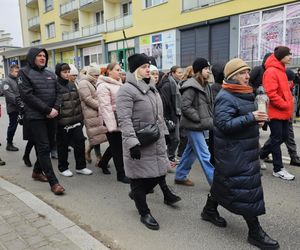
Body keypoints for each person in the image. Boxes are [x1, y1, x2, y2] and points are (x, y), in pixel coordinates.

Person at [201, 58, 279, 250]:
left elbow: (243, 118)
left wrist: (257, 120)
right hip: (234, 152)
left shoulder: (245, 92)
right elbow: (224, 125)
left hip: (244, 149)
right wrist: (250, 117)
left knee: (223, 182)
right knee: (247, 190)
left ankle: (209, 210)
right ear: (233, 76)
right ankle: (255, 232)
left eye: (247, 72)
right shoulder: (225, 96)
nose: (247, 76)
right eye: (243, 73)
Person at [117, 53, 181, 230]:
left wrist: (165, 132)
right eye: (144, 67)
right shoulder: (126, 90)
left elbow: (158, 116)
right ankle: (144, 212)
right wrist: (132, 143)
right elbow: (124, 119)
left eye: (149, 66)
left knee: (159, 174)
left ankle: (136, 194)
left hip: (156, 140)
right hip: (139, 142)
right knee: (138, 179)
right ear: (136, 69)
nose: (148, 69)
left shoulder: (152, 87)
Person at [18, 48, 64, 195]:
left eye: (44, 55)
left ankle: (37, 171)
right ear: (32, 57)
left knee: (50, 145)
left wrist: (55, 108)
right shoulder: (24, 72)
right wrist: (47, 110)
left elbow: (59, 92)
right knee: (43, 148)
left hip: (52, 115)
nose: (42, 58)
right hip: (36, 117)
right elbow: (27, 95)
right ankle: (54, 182)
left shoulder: (50, 73)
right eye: (39, 55)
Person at [174, 58, 214, 187]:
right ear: (199, 71)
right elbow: (185, 107)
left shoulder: (205, 84)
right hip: (194, 125)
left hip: (201, 125)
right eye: (206, 69)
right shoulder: (191, 86)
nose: (209, 71)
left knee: (190, 152)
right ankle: (216, 185)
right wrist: (199, 118)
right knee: (205, 155)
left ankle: (180, 176)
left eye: (209, 68)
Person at [260, 46, 295, 180]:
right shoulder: (272, 71)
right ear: (281, 56)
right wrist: (286, 104)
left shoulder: (281, 70)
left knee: (282, 137)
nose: (291, 56)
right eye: (288, 54)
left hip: (283, 112)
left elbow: (282, 90)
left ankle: (260, 155)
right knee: (277, 138)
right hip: (276, 112)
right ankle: (278, 168)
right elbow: (271, 94)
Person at [55, 63, 93, 177]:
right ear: (58, 73)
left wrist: (80, 118)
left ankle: (81, 167)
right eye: (64, 72)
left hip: (76, 120)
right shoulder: (55, 85)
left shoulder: (72, 84)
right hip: (62, 122)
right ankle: (63, 168)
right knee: (63, 146)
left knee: (80, 143)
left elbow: (78, 102)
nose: (67, 74)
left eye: (68, 72)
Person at [97, 63, 129, 182]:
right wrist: (112, 126)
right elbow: (105, 107)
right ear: (109, 71)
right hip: (111, 121)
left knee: (115, 145)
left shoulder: (120, 83)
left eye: (120, 70)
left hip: (121, 119)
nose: (120, 72)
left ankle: (103, 163)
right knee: (117, 148)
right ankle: (121, 174)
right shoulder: (103, 86)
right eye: (117, 70)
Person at [77, 66, 111, 174]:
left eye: (98, 75)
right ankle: (98, 158)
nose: (98, 77)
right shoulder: (84, 83)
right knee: (96, 135)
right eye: (96, 75)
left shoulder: (94, 82)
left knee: (99, 134)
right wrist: (100, 106)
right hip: (91, 112)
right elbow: (87, 99)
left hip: (97, 112)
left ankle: (91, 152)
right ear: (90, 74)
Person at [263, 69, 300, 167]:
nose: (291, 83)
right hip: (279, 115)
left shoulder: (290, 87)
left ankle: (262, 154)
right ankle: (264, 155)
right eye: (289, 81)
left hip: (288, 115)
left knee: (282, 136)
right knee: (279, 136)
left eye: (292, 81)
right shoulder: (278, 86)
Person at [157, 66, 183, 165]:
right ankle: (168, 157)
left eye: (181, 72)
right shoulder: (168, 85)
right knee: (175, 138)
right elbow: (166, 102)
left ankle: (169, 156)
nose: (181, 75)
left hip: (176, 114)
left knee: (175, 138)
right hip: (171, 115)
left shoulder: (176, 84)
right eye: (179, 72)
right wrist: (169, 117)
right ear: (172, 73)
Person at [2, 64, 23, 151]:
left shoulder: (19, 80)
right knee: (13, 126)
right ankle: (9, 143)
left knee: (29, 125)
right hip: (13, 108)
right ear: (11, 71)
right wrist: (20, 103)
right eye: (16, 72)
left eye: (19, 71)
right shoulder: (6, 81)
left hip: (22, 107)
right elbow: (9, 95)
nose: (18, 73)